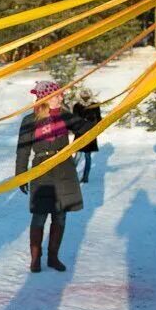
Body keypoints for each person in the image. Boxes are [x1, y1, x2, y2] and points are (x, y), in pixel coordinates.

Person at [16, 82, 85, 272]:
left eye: (61, 95)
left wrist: (82, 127)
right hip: (42, 169)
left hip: (64, 169)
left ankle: (53, 257)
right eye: (57, 95)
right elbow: (22, 151)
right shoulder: (30, 120)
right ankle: (35, 259)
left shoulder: (65, 117)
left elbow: (86, 129)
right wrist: (21, 175)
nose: (61, 98)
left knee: (60, 216)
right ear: (46, 99)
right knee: (39, 216)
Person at [71, 89, 102, 183]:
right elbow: (74, 119)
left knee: (87, 156)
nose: (85, 98)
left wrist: (97, 128)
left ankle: (85, 177)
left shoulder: (95, 106)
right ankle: (72, 175)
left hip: (90, 134)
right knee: (78, 156)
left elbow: (99, 119)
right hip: (80, 133)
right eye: (84, 96)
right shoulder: (77, 106)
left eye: (87, 96)